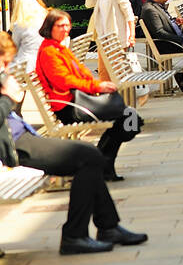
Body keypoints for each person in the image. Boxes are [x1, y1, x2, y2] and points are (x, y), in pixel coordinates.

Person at [0, 33, 147, 255]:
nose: (5, 66)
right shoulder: (47, 53)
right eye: (3, 61)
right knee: (88, 157)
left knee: (89, 156)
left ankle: (106, 228)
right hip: (16, 143)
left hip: (23, 137)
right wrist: (8, 98)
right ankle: (77, 235)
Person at [34, 10, 142, 179]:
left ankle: (100, 162)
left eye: (67, 25)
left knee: (129, 117)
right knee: (128, 117)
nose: (65, 29)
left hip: (77, 102)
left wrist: (98, 85)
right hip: (69, 107)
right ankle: (101, 163)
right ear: (49, 28)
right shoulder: (49, 51)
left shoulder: (58, 47)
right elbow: (64, 81)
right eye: (60, 26)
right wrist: (96, 86)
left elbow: (81, 72)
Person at [85, 0, 135, 80]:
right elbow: (88, 4)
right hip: (102, 36)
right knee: (103, 72)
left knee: (117, 72)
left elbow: (128, 13)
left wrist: (131, 35)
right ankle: (107, 98)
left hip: (116, 37)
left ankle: (119, 97)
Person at [10, 0, 47, 70]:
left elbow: (14, 49)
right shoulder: (44, 22)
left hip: (26, 67)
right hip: (43, 64)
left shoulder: (20, 25)